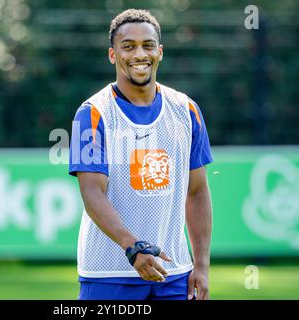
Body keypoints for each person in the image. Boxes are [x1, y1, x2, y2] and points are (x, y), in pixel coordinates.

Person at [69, 8, 213, 300]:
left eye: (148, 46)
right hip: (108, 274)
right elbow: (92, 193)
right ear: (113, 55)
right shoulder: (92, 113)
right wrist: (133, 248)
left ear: (160, 52)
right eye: (128, 46)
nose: (139, 54)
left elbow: (196, 192)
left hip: (174, 275)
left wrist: (201, 265)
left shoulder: (187, 111)